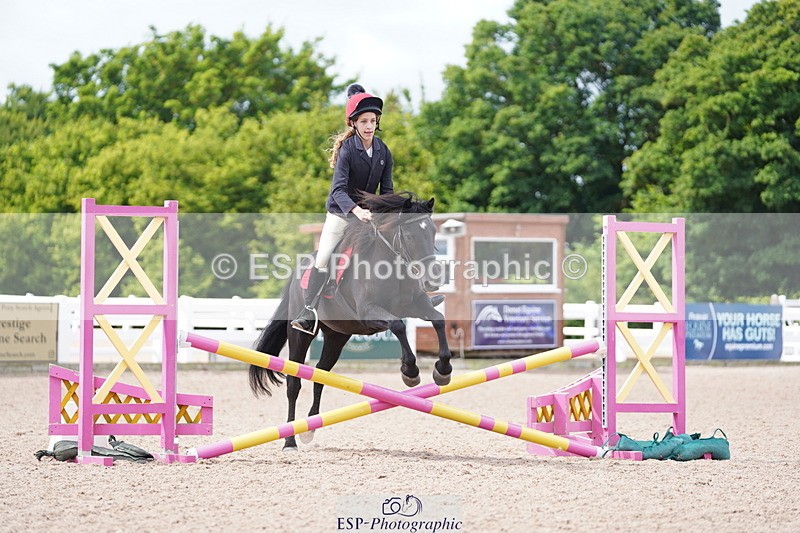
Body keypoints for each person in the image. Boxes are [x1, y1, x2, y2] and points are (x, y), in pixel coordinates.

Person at [291, 84, 394, 335]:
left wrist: (385, 216)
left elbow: (387, 191)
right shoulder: (347, 150)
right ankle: (308, 311)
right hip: (341, 214)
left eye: (373, 121)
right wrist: (357, 211)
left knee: (395, 247)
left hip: (368, 218)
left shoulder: (383, 151)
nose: (369, 126)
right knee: (324, 258)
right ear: (354, 123)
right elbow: (338, 190)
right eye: (364, 121)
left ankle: (412, 295)